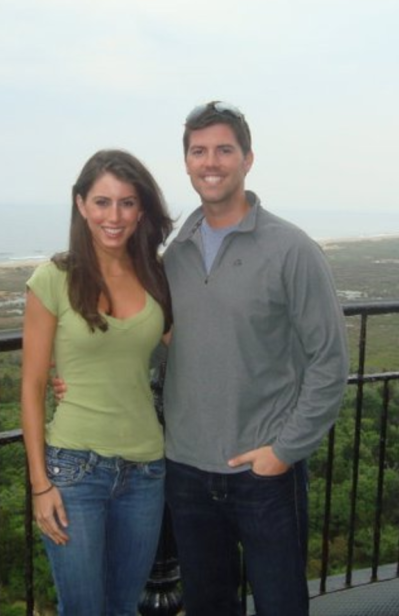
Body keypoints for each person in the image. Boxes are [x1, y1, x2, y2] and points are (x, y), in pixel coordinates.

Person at [161, 101, 349, 615]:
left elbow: (330, 363)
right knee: (207, 606)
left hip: (265, 473)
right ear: (186, 163)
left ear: (247, 159)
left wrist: (283, 452)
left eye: (224, 149)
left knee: (281, 604)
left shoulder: (291, 249)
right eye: (199, 151)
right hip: (187, 471)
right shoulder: (173, 254)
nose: (211, 161)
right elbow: (157, 346)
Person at [21, 148, 174, 615]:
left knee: (125, 608)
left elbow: (190, 349)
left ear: (141, 209)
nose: (115, 215)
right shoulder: (53, 279)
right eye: (102, 202)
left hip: (146, 470)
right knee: (84, 608)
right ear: (81, 204)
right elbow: (30, 386)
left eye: (127, 202)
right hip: (74, 472)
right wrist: (40, 485)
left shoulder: (154, 274)